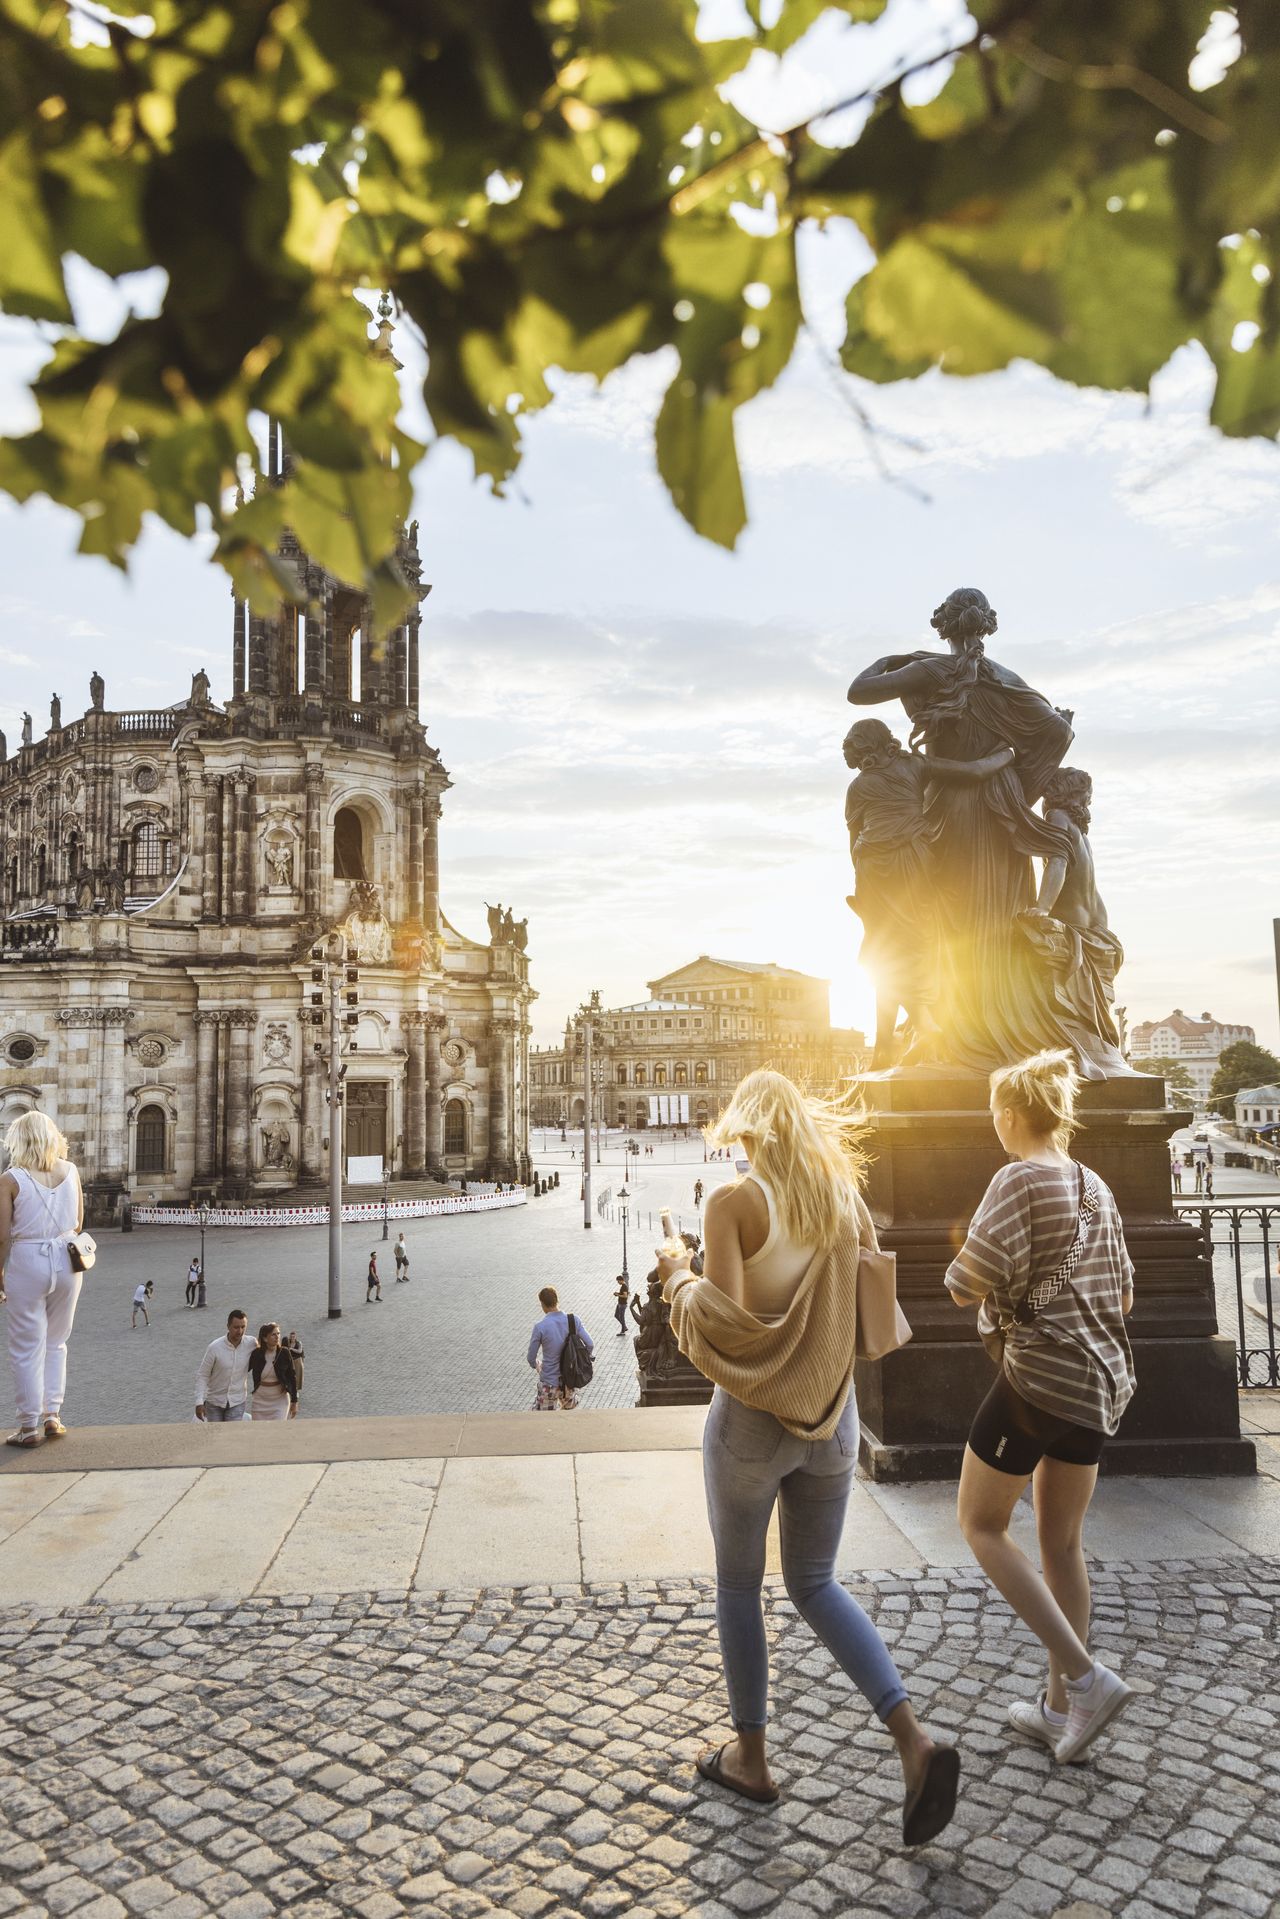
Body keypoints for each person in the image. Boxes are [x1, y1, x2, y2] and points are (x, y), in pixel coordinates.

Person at [660, 1070, 958, 1843]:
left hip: (753, 1427)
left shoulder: (733, 1203)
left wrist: (677, 1278)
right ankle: (913, 1742)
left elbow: (729, 1329)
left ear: (747, 1129)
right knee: (818, 1583)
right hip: (834, 1419)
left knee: (737, 1586)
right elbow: (860, 1301)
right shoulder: (842, 1197)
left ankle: (751, 1759)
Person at [947, 1049, 1137, 1766]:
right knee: (1062, 1544)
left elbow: (965, 1283)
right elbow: (1123, 1296)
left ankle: (1086, 1679)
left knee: (980, 1522)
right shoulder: (1096, 1185)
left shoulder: (1016, 1177)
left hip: (1034, 1383)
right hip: (1097, 1383)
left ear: (1009, 1114)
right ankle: (1062, 1713)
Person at [1, 1111, 86, 1448]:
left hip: (27, 1259)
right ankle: (53, 1415)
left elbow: (3, 1235)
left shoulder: (10, 1179)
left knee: (26, 1346)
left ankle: (27, 1426)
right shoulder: (71, 1171)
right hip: (67, 1259)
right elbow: (78, 1222)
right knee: (57, 1341)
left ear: (18, 1141)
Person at [527, 1285, 594, 1410]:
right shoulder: (573, 1320)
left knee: (543, 1421)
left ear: (542, 1304)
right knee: (568, 1421)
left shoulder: (540, 1327)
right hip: (569, 1383)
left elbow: (531, 1358)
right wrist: (580, 1361)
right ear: (557, 1300)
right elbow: (590, 1344)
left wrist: (537, 1365)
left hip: (549, 1383)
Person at [195, 1309, 256, 1421]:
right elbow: (203, 1375)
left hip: (237, 1401)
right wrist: (199, 1401)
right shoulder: (214, 1347)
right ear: (228, 1326)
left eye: (243, 1327)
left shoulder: (252, 1343)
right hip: (214, 1402)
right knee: (215, 1435)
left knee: (231, 1436)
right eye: (236, 1327)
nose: (240, 1331)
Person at [248, 1323, 300, 1420]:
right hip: (260, 1401)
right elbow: (243, 1369)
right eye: (273, 1334)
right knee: (259, 1432)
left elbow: (292, 1377)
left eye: (278, 1333)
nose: (277, 1337)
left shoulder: (284, 1353)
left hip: (280, 1400)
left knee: (277, 1431)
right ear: (265, 1338)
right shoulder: (256, 1354)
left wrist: (295, 1401)